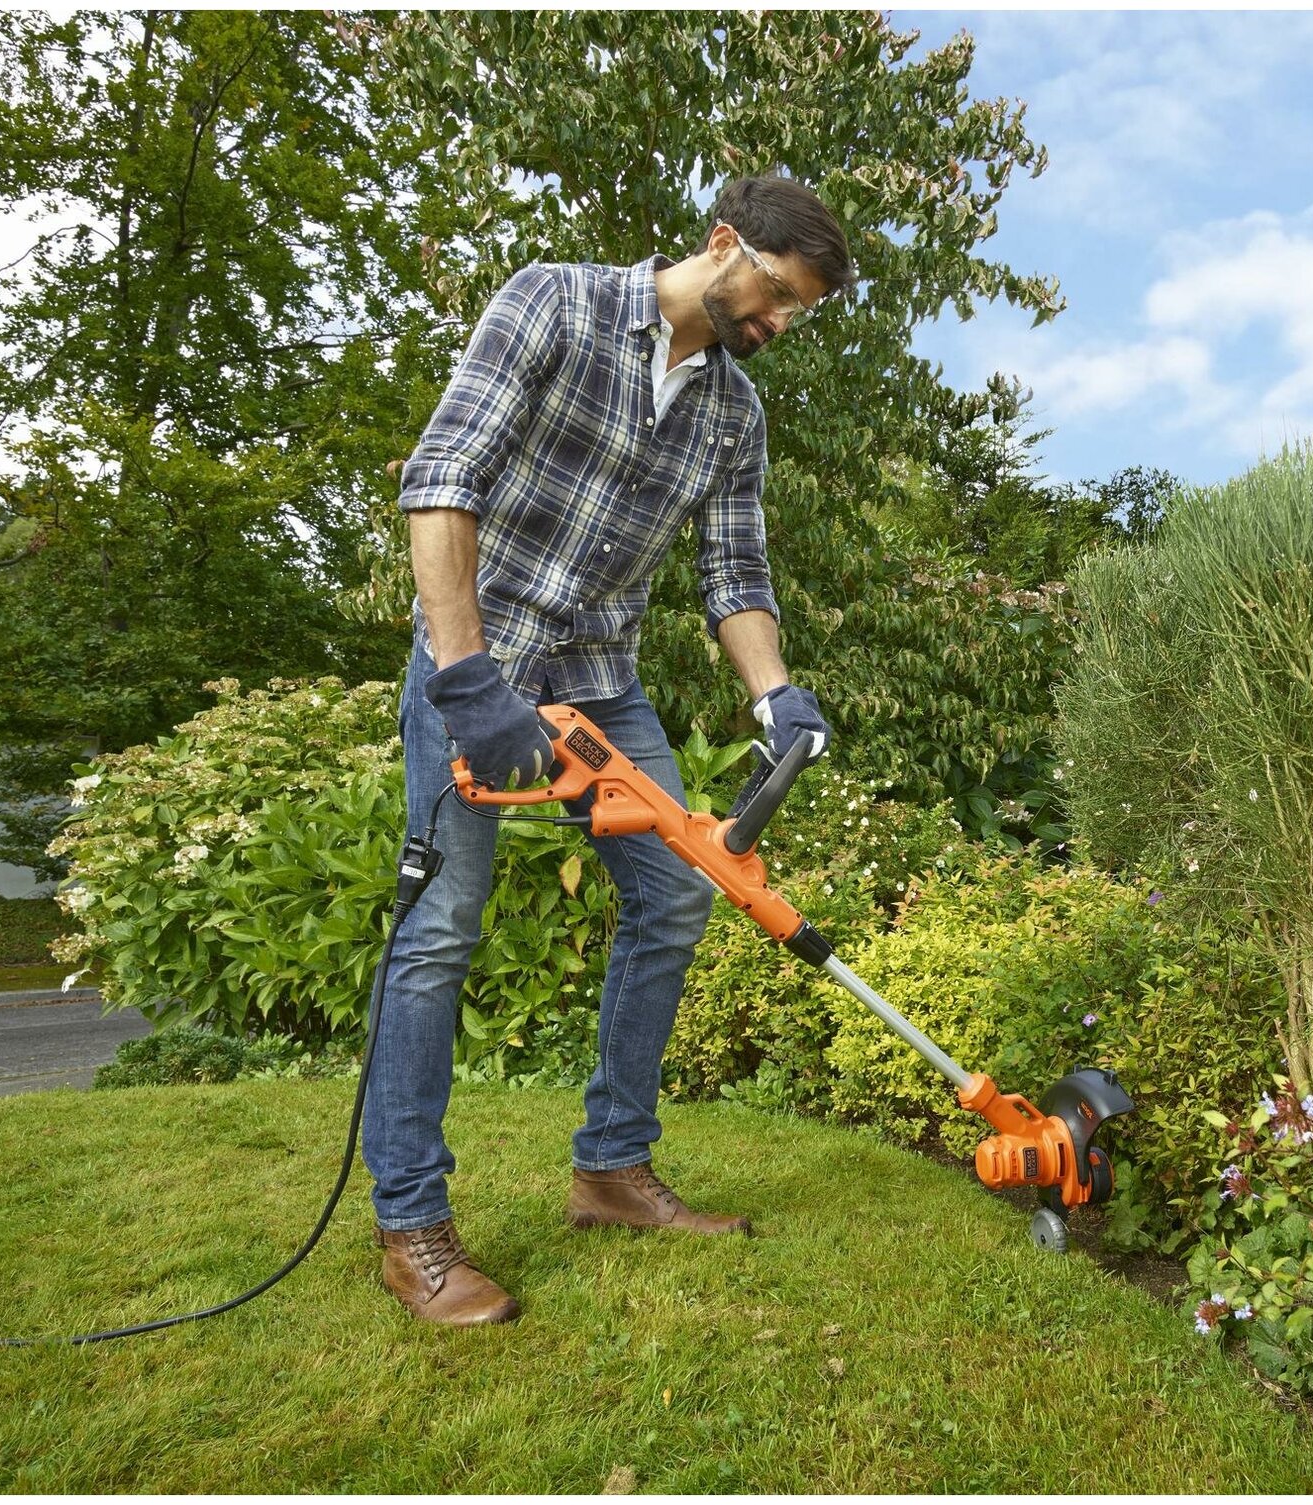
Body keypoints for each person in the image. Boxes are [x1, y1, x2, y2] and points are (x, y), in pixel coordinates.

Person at [365, 174, 855, 1325]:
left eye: (799, 312)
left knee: (679, 894)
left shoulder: (735, 414)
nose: (779, 323)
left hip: (603, 685)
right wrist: (465, 675)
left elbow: (734, 573)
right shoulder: (554, 303)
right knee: (438, 931)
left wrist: (775, 693)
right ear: (723, 243)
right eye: (778, 294)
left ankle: (610, 1169)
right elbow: (442, 481)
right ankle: (412, 1227)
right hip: (475, 662)